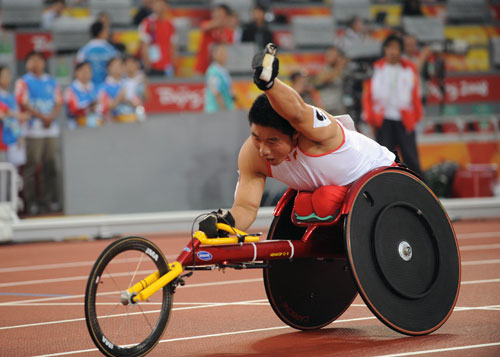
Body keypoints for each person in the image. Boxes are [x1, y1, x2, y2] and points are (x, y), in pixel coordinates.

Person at [198, 44, 395, 236]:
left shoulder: (316, 134)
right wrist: (226, 226)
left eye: (273, 141)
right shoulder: (252, 154)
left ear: (295, 135)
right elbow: (246, 207)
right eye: (257, 138)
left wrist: (270, 84)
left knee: (324, 201)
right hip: (333, 193)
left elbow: (298, 111)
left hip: (384, 178)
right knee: (308, 204)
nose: (263, 150)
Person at [362, 34, 423, 177]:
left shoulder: (409, 69)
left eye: (395, 48)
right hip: (383, 119)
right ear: (384, 49)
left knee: (411, 157)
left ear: (401, 50)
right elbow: (368, 95)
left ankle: (421, 188)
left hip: (404, 119)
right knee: (384, 158)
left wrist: (415, 117)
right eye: (389, 47)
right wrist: (370, 117)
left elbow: (415, 94)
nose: (392, 51)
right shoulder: (376, 68)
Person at [15, 52, 63, 215]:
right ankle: (31, 203)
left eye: (39, 60)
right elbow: (22, 102)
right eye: (32, 60)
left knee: (50, 166)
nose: (36, 63)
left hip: (50, 129)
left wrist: (51, 117)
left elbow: (58, 102)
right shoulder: (23, 82)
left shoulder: (51, 81)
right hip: (33, 130)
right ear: (27, 64)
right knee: (31, 167)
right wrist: (42, 116)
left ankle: (47, 201)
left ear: (44, 63)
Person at [138, 0, 177, 77]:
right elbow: (144, 45)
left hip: (167, 65)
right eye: (158, 5)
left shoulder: (171, 24)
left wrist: (174, 64)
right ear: (153, 6)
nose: (160, 8)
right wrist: (147, 64)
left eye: (162, 5)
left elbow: (173, 46)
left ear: (167, 7)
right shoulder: (147, 22)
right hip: (153, 65)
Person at [76, 21, 119, 88]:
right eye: (106, 31)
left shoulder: (84, 50)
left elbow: (79, 67)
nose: (107, 33)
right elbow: (117, 68)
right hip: (107, 88)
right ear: (101, 33)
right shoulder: (111, 50)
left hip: (89, 87)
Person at [194, 4, 234, 75]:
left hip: (219, 70)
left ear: (226, 17)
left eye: (221, 15)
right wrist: (217, 24)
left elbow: (229, 49)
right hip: (202, 68)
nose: (217, 17)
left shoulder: (228, 32)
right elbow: (204, 27)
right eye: (216, 14)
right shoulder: (207, 25)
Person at [0, 65, 28, 165]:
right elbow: (3, 113)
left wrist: (19, 136)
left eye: (8, 75)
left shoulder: (12, 97)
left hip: (13, 140)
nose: (7, 78)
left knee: (13, 171)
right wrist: (18, 115)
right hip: (1, 142)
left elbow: (18, 120)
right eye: (4, 75)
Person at [97, 57, 138, 122]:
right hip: (114, 123)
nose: (118, 68)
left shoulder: (128, 83)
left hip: (130, 120)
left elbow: (137, 103)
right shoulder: (103, 87)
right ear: (109, 68)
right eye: (115, 66)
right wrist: (120, 97)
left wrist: (127, 100)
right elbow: (109, 106)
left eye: (120, 65)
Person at [64, 61, 102, 129]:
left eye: (87, 71)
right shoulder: (70, 90)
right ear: (76, 73)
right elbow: (72, 110)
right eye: (82, 71)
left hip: (95, 125)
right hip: (77, 126)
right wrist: (89, 107)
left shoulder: (95, 88)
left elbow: (102, 107)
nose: (85, 74)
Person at [314, 46, 348, 115]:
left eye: (332, 55)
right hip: (326, 107)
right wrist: (340, 65)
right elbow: (324, 79)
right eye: (328, 55)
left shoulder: (344, 70)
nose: (328, 57)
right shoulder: (325, 69)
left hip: (339, 107)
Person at [204, 44, 234, 113]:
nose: (223, 55)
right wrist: (223, 110)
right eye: (221, 53)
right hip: (216, 111)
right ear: (214, 55)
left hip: (227, 108)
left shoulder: (224, 71)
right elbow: (216, 92)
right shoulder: (212, 71)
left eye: (224, 53)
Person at [123, 55, 148, 121]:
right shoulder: (122, 80)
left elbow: (147, 97)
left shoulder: (141, 79)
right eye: (127, 64)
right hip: (124, 106)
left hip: (138, 107)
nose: (130, 67)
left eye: (132, 64)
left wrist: (144, 85)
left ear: (136, 65)